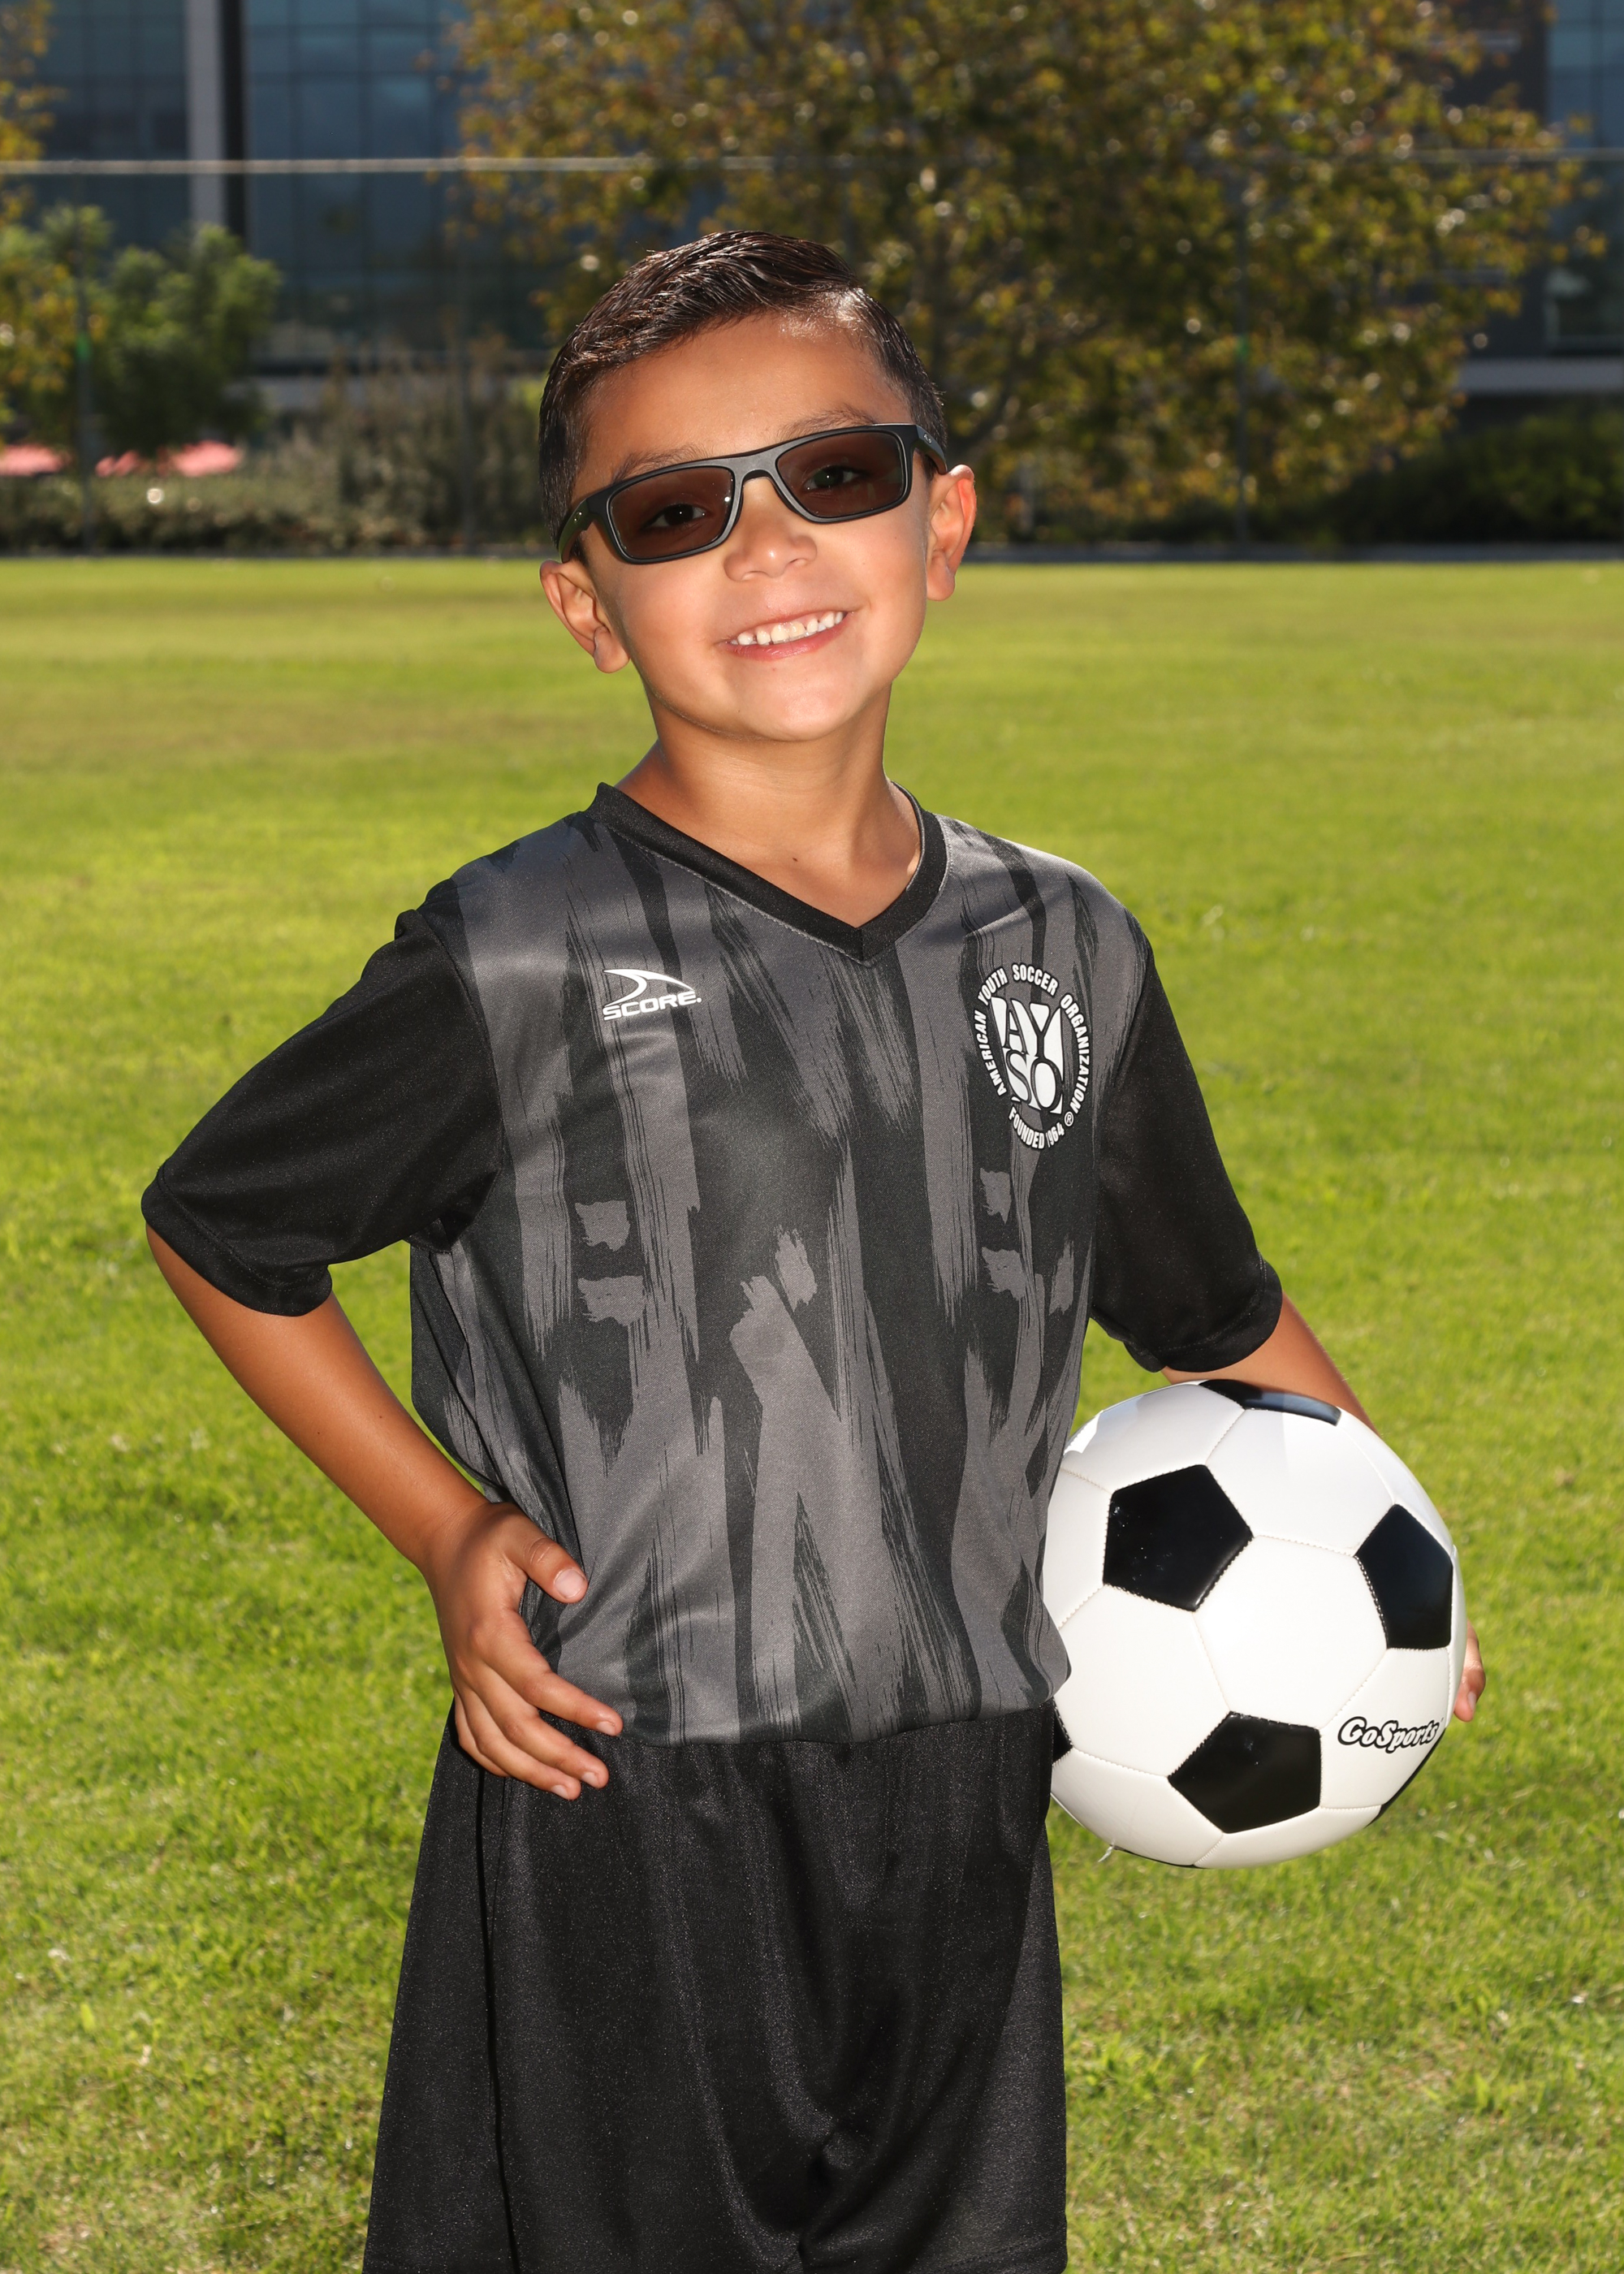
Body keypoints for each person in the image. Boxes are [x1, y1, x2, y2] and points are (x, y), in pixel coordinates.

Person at [143, 231, 1484, 2274]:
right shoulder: (515, 954)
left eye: (833, 475)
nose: (766, 546)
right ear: (589, 604)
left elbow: (1213, 1313)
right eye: (676, 511)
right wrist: (448, 1530)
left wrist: (1393, 1559)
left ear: (940, 523)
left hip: (967, 1784)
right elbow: (227, 1225)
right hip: (626, 1788)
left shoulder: (1062, 947)